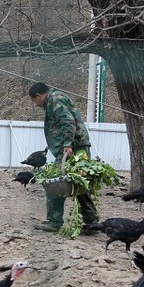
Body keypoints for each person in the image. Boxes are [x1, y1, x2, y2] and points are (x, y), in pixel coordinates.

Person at [28, 81, 98, 232]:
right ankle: (91, 222)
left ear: (39, 95)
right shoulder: (55, 98)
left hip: (72, 147)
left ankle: (54, 222)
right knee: (78, 183)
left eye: (34, 100)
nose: (35, 104)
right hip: (77, 145)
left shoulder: (55, 99)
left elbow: (68, 122)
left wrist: (67, 145)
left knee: (55, 182)